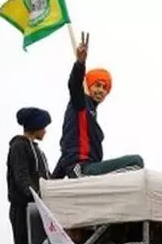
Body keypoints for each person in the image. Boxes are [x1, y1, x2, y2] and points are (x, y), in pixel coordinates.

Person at [52, 32, 144, 179]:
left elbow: (66, 149)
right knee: (136, 163)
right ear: (88, 86)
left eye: (105, 88)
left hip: (87, 167)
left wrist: (52, 182)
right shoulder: (80, 103)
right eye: (97, 85)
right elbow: (74, 85)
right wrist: (80, 63)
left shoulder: (91, 113)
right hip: (81, 169)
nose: (101, 90)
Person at [7, 106, 53, 244]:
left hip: (38, 209)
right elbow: (22, 178)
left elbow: (45, 178)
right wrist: (37, 197)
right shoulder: (19, 146)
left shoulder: (37, 150)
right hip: (24, 209)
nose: (46, 131)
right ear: (36, 126)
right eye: (44, 127)